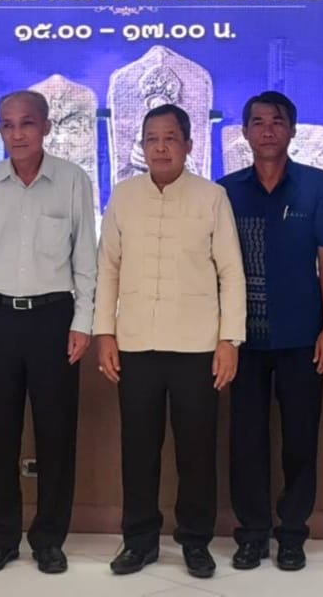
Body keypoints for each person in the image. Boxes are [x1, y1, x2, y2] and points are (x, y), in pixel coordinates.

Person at [95, 103, 246, 580]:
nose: (160, 148)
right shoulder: (124, 196)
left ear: (188, 144)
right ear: (141, 146)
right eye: (151, 139)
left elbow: (231, 272)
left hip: (197, 345)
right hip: (136, 342)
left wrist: (229, 340)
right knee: (138, 448)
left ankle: (195, 541)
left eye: (170, 138)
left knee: (196, 451)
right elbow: (108, 268)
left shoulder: (212, 197)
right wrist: (104, 332)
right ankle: (138, 540)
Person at [0, 90, 97, 576]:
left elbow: (86, 259)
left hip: (53, 320)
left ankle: (49, 538)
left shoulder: (73, 180)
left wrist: (83, 323)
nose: (17, 134)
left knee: (56, 433)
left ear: (46, 127)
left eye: (27, 123)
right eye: (8, 125)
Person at [219, 91, 323, 573]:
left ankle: (292, 534)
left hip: (302, 335)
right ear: (244, 132)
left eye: (277, 121)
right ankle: (251, 534)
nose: (267, 130)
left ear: (291, 130)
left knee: (300, 440)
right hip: (243, 338)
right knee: (246, 441)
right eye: (257, 121)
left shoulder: (317, 186)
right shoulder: (226, 191)